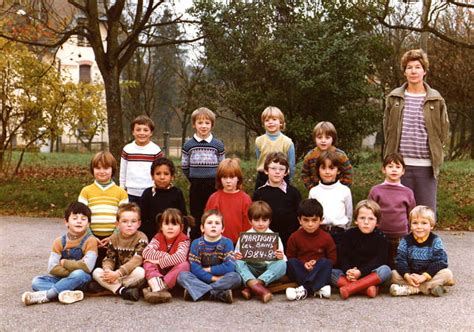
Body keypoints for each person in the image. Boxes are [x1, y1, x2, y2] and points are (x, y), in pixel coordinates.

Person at [383, 49, 449, 215]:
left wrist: (438, 153)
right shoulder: (394, 97)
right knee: (399, 215)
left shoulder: (436, 99)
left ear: (424, 71)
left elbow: (443, 130)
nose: (413, 71)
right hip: (399, 166)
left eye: (418, 67)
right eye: (409, 67)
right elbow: (387, 129)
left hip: (426, 166)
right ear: (404, 71)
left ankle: (425, 242)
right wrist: (391, 159)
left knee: (425, 215)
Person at [22, 202, 97, 305]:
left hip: (82, 279)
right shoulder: (59, 241)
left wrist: (64, 262)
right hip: (63, 278)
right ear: (66, 222)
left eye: (83, 219)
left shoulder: (91, 241)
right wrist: (71, 274)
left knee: (78, 273)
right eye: (74, 218)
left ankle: (47, 295)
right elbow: (52, 268)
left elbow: (87, 267)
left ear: (88, 224)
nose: (79, 221)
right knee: (36, 281)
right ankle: (68, 293)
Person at [330, 200, 391, 299]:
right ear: (356, 220)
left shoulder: (381, 237)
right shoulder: (349, 235)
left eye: (371, 219)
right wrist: (348, 271)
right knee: (330, 272)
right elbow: (343, 256)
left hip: (370, 275)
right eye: (362, 218)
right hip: (350, 275)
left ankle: (349, 289)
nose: (366, 222)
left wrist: (361, 272)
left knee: (386, 270)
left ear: (377, 222)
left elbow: (379, 260)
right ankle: (366, 289)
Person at [177, 210, 241, 304]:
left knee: (236, 277)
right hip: (201, 279)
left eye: (217, 223)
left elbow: (229, 267)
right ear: (202, 228)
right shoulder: (196, 243)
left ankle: (199, 292)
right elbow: (195, 268)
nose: (213, 225)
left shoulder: (227, 243)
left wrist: (209, 269)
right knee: (182, 276)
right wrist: (213, 278)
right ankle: (218, 293)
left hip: (222, 279)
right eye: (209, 223)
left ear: (223, 229)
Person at [390, 205, 454, 297]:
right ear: (410, 226)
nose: (419, 227)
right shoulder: (405, 240)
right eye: (415, 223)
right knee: (393, 274)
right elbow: (400, 260)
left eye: (424, 223)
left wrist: (424, 276)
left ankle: (410, 290)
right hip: (411, 276)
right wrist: (407, 276)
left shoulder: (435, 240)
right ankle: (432, 288)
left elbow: (440, 261)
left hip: (429, 275)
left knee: (447, 273)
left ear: (431, 226)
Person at [181, 107, 225, 240]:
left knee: (213, 214)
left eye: (207, 123)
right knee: (197, 214)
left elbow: (222, 166)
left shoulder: (218, 145)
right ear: (194, 124)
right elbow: (184, 166)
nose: (204, 126)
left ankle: (215, 240)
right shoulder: (189, 145)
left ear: (212, 125)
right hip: (196, 184)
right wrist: (194, 179)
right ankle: (195, 242)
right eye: (200, 123)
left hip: (214, 185)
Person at [78, 151, 128, 264]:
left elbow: (124, 218)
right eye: (98, 168)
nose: (101, 171)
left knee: (111, 266)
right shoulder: (86, 191)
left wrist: (114, 236)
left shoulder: (121, 192)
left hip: (114, 237)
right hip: (91, 237)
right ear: (92, 169)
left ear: (113, 169)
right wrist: (90, 236)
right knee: (90, 269)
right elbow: (81, 217)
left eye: (106, 168)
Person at [92, 203, 148, 301]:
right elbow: (109, 258)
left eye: (133, 221)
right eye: (125, 221)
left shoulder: (142, 238)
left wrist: (118, 273)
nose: (129, 225)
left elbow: (137, 260)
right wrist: (107, 270)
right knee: (97, 272)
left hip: (130, 275)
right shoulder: (114, 238)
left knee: (141, 272)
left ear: (139, 223)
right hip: (115, 274)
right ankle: (122, 290)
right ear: (117, 224)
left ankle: (111, 287)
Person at [368, 153, 416, 267]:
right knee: (380, 263)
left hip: (400, 235)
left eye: (398, 167)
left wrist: (408, 231)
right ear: (383, 169)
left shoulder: (408, 192)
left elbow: (412, 214)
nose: (394, 170)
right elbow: (369, 212)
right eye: (390, 166)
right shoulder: (376, 190)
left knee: (398, 264)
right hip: (379, 234)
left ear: (403, 171)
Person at [234, 201, 287, 303]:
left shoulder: (275, 238)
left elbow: (283, 259)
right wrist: (238, 256)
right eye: (256, 220)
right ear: (250, 221)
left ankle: (253, 286)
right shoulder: (244, 237)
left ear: (270, 221)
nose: (261, 223)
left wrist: (280, 256)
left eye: (264, 220)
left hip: (268, 270)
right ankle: (259, 288)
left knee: (282, 264)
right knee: (237, 263)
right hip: (251, 269)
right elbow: (237, 256)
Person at [285, 199, 336, 301]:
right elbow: (290, 256)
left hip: (319, 270)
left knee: (326, 263)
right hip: (301, 270)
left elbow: (333, 259)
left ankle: (304, 289)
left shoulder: (326, 237)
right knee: (291, 263)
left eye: (314, 220)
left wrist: (316, 264)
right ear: (299, 220)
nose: (310, 224)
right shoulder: (294, 237)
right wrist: (304, 264)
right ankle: (317, 289)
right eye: (306, 220)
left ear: (321, 220)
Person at [142, 208, 194, 304]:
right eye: (166, 224)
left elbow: (180, 257)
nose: (170, 227)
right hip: (159, 272)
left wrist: (159, 261)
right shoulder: (158, 237)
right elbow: (146, 252)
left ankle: (159, 287)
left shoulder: (184, 240)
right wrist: (165, 255)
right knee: (148, 263)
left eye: (174, 224)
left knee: (184, 265)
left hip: (173, 273)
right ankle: (159, 288)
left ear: (181, 227)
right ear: (161, 226)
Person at [252, 152, 301, 248]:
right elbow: (254, 216)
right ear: (266, 170)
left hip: (289, 239)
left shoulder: (293, 193)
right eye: (273, 168)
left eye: (281, 169)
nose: (277, 172)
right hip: (265, 240)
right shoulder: (259, 193)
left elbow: (299, 216)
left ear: (286, 172)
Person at [308, 150, 352, 247]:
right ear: (318, 170)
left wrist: (344, 228)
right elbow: (310, 213)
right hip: (318, 233)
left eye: (331, 168)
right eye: (323, 168)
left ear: (338, 170)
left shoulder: (345, 191)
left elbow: (349, 214)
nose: (327, 172)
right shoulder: (314, 192)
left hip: (339, 234)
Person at [205, 158, 252, 244]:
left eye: (232, 177)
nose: (228, 181)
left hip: (239, 245)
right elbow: (207, 223)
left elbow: (248, 226)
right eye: (224, 177)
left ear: (238, 178)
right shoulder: (214, 198)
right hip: (217, 244)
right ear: (219, 179)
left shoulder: (245, 199)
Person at [119, 115, 164, 204]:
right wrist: (122, 188)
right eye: (138, 129)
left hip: (150, 191)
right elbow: (123, 170)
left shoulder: (155, 150)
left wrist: (158, 187)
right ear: (133, 132)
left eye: (145, 130)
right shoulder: (127, 149)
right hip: (131, 192)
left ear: (151, 132)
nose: (142, 133)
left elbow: (160, 170)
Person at [140, 157, 187, 241]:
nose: (162, 177)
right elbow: (142, 219)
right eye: (158, 174)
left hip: (173, 237)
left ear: (172, 176)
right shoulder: (147, 193)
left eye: (166, 174)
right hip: (151, 237)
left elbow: (183, 217)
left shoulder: (177, 193)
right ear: (152, 176)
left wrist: (183, 238)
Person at [301, 121, 352, 190]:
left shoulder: (340, 155)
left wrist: (343, 189)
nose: (323, 140)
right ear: (314, 138)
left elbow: (348, 173)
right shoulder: (310, 156)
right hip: (318, 192)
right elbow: (305, 174)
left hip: (337, 191)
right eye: (319, 137)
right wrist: (312, 188)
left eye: (327, 138)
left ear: (333, 138)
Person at [254, 106, 295, 190]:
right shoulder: (259, 141)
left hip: (281, 177)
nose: (270, 122)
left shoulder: (287, 142)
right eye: (267, 120)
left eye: (274, 119)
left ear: (281, 122)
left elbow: (291, 164)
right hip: (263, 178)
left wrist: (288, 179)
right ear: (263, 123)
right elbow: (259, 159)